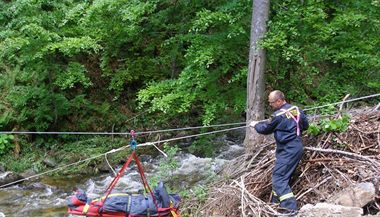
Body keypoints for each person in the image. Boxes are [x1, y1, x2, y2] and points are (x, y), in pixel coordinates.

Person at [250, 90, 309, 213]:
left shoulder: (277, 116)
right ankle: (276, 205)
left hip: (288, 150)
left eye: (271, 102)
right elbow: (306, 125)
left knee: (278, 178)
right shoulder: (297, 110)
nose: (270, 105)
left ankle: (290, 210)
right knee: (283, 176)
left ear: (279, 101)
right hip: (296, 147)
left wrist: (255, 125)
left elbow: (265, 129)